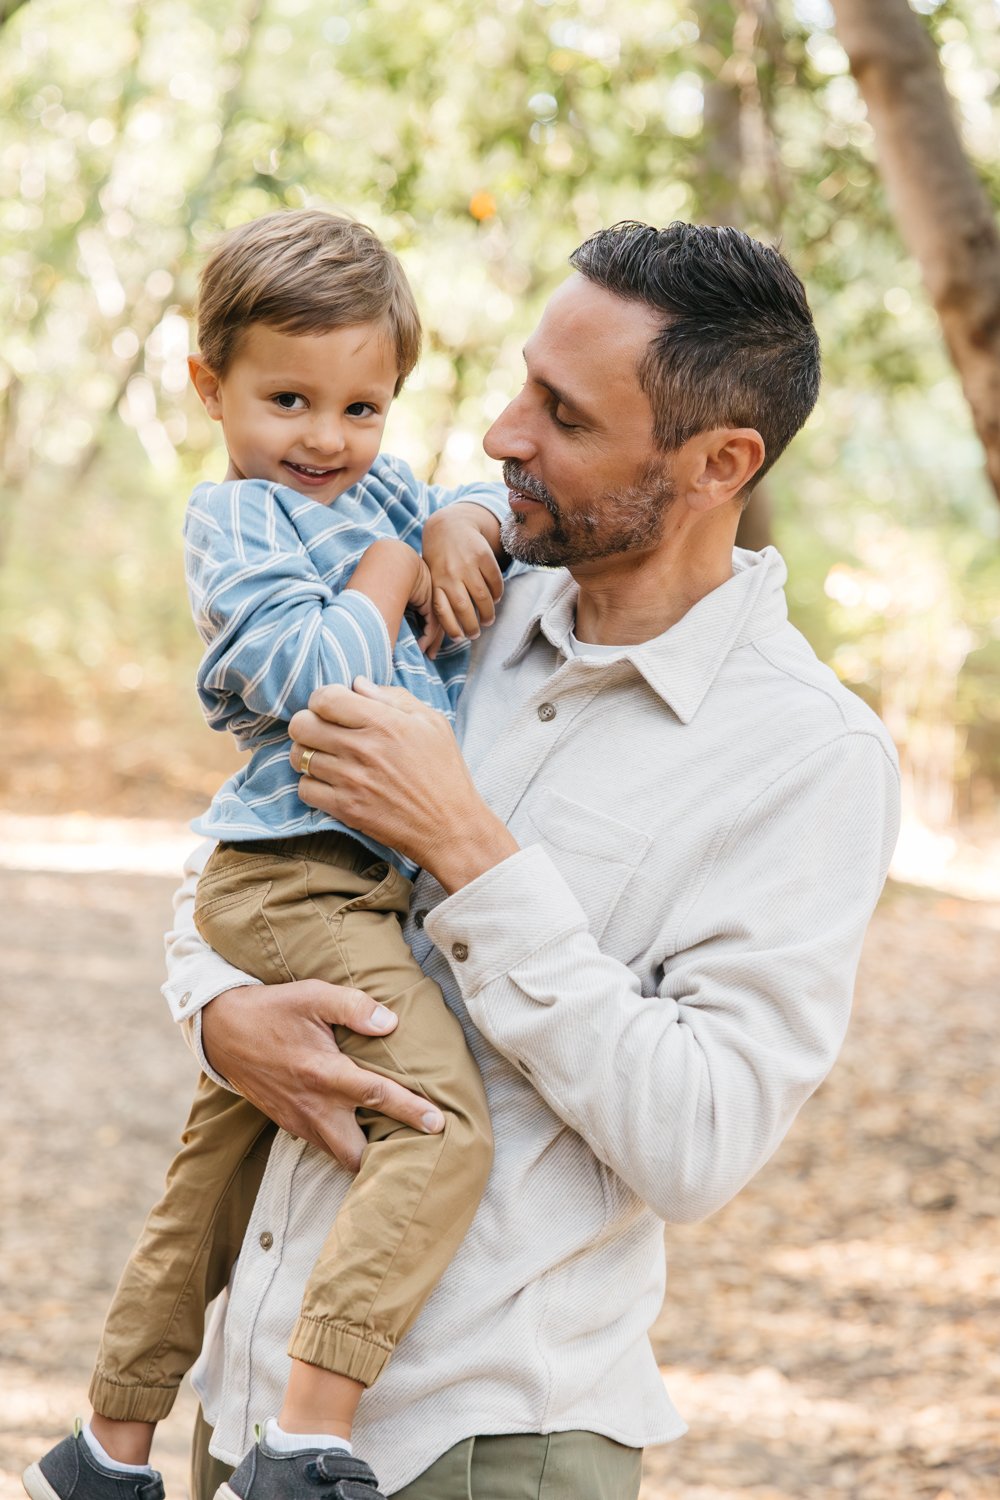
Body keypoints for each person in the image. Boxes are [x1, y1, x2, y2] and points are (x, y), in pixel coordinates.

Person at [165, 220, 899, 1500]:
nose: (503, 434)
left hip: (485, 1447)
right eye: (518, 385)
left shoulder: (807, 755)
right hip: (240, 1415)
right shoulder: (457, 606)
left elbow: (698, 1142)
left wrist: (469, 848)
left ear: (720, 461)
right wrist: (217, 1012)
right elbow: (248, 850)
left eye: (561, 414)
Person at [22, 209, 521, 1500]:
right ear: (210, 387)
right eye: (288, 398)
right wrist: (390, 568)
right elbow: (313, 680)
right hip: (294, 872)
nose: (326, 439)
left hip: (348, 876)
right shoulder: (236, 522)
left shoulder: (385, 492)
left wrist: (458, 519)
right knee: (445, 1127)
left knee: (218, 1172)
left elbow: (463, 496)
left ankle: (110, 1443)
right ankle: (309, 1428)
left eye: (363, 408)